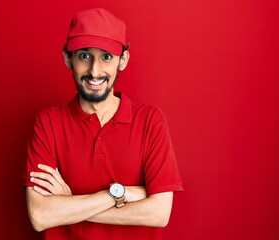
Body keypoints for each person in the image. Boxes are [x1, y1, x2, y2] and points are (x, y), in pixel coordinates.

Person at [23, 8, 183, 240]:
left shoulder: (150, 120)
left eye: (106, 57)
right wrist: (117, 194)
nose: (95, 71)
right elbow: (40, 216)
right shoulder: (48, 123)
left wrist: (69, 205)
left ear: (123, 60)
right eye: (84, 56)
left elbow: (159, 212)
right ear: (68, 58)